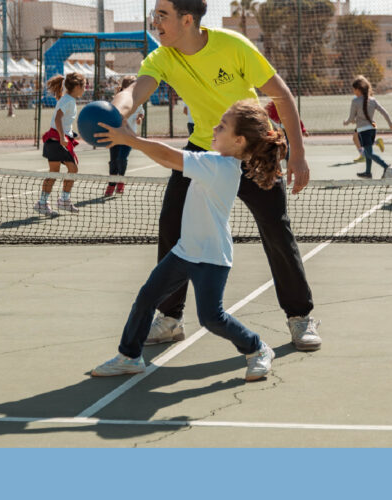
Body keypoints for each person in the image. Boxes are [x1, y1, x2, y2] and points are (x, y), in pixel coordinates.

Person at [111, 0, 320, 351]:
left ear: (187, 19)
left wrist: (297, 154)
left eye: (162, 15)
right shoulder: (162, 57)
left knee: (276, 230)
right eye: (155, 14)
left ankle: (299, 316)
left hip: (253, 147)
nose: (155, 21)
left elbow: (281, 95)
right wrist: (114, 111)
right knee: (171, 224)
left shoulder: (232, 45)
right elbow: (135, 92)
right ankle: (170, 319)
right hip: (205, 147)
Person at [89, 100, 284, 379]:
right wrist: (132, 138)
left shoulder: (219, 165)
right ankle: (129, 357)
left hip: (211, 256)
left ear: (239, 140)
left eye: (222, 126)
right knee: (146, 298)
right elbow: (170, 159)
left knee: (211, 318)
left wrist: (130, 140)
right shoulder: (214, 161)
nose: (214, 128)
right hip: (185, 251)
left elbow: (170, 157)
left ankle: (257, 347)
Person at [35, 72, 85, 216]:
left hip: (55, 141)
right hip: (57, 141)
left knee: (58, 172)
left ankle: (47, 202)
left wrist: (71, 134)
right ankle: (58, 201)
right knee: (72, 170)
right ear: (77, 86)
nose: (85, 89)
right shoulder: (68, 100)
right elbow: (58, 119)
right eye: (84, 86)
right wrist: (63, 137)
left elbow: (63, 121)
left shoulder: (67, 99)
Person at [343, 75, 392, 178]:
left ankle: (386, 167)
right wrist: (391, 124)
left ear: (358, 89)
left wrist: (346, 122)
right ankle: (368, 172)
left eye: (354, 89)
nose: (353, 91)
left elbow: (351, 118)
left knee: (369, 153)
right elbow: (384, 112)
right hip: (372, 129)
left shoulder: (355, 101)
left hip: (363, 131)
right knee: (368, 151)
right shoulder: (373, 100)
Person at [106, 76, 144, 197]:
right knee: (114, 161)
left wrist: (139, 118)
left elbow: (141, 113)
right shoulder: (118, 99)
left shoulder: (138, 100)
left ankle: (121, 181)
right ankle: (111, 185)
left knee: (122, 159)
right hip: (115, 135)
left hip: (129, 136)